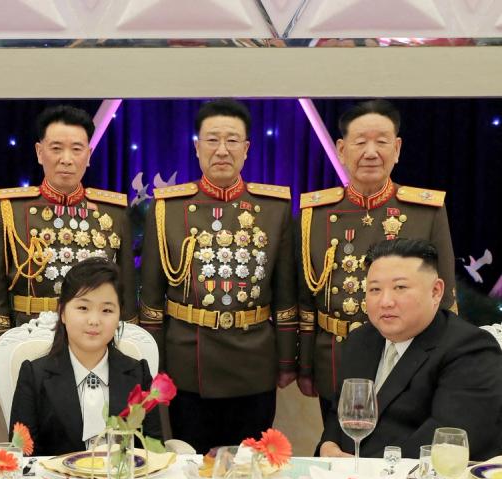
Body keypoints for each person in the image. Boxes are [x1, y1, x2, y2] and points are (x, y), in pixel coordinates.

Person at [139, 99, 298, 454]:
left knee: (250, 467)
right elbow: (150, 300)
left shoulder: (274, 209)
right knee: (188, 466)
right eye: (212, 140)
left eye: (232, 140)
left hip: (253, 362)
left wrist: (287, 361)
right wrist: (152, 366)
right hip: (187, 366)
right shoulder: (168, 208)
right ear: (197, 148)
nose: (222, 150)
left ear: (247, 149)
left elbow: (286, 296)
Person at [298, 100, 457, 417]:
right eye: (360, 142)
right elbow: (304, 299)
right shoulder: (314, 215)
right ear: (342, 150)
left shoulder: (426, 211)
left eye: (382, 142)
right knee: (341, 451)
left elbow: (445, 299)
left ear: (397, 149)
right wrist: (303, 366)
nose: (371, 152)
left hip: (408, 360)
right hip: (336, 359)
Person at [0, 105, 137, 369]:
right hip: (29, 341)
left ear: (88, 155)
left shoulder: (113, 212)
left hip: (96, 344)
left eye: (76, 149)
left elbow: (126, 294)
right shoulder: (11, 208)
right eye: (56, 148)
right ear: (39, 153)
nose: (66, 159)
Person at [319, 238, 502, 460]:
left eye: (400, 287)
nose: (385, 301)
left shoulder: (470, 349)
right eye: (375, 289)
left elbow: (445, 441)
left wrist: (365, 469)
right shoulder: (361, 339)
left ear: (436, 292)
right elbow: (340, 410)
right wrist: (328, 445)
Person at [9, 258, 161, 456]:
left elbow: (154, 452)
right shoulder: (34, 375)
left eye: (107, 310)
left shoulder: (138, 373)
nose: (94, 320)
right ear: (62, 312)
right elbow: (21, 457)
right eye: (83, 308)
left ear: (118, 317)